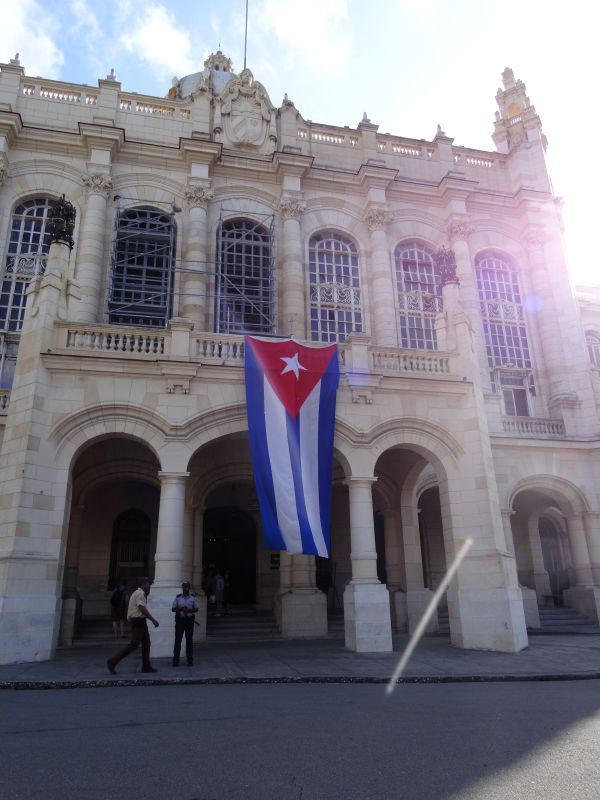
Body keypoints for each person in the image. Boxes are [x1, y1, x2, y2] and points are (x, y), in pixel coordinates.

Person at [107, 577, 159, 674]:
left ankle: (146, 666)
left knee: (146, 643)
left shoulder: (137, 593)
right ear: (142, 584)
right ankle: (112, 661)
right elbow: (141, 607)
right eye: (147, 583)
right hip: (138, 621)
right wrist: (153, 620)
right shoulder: (140, 593)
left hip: (140, 621)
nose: (149, 586)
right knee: (133, 645)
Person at [171, 581, 199, 666]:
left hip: (189, 621)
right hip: (180, 621)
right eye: (184, 587)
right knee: (178, 641)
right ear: (182, 588)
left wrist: (189, 610)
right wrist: (181, 609)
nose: (185, 589)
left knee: (189, 641)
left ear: (189, 588)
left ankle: (190, 660)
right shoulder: (178, 597)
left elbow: (196, 608)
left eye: (187, 587)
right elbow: (173, 609)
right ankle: (176, 661)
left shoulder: (193, 598)